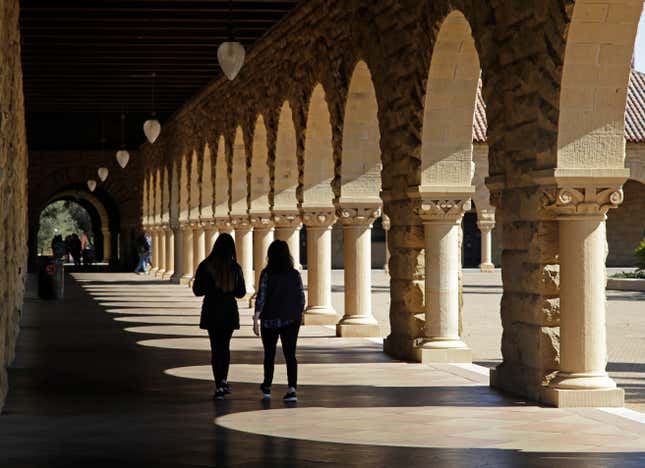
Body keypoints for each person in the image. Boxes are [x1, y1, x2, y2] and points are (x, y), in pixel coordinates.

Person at [192, 233, 246, 400]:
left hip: (212, 310)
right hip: (229, 311)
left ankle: (219, 385)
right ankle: (223, 380)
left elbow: (197, 290)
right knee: (225, 346)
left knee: (216, 348)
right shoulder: (235, 267)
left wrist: (211, 287)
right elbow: (241, 293)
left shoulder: (206, 265)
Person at [253, 240, 305, 402]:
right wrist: (298, 314)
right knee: (290, 354)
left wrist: (256, 318)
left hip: (270, 319)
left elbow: (261, 296)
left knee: (269, 354)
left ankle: (267, 385)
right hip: (290, 319)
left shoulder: (267, 273)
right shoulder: (294, 274)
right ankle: (292, 388)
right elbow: (301, 297)